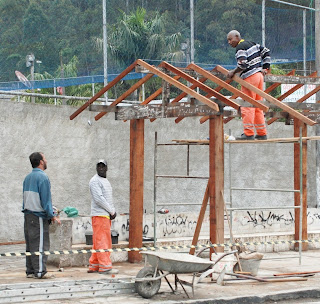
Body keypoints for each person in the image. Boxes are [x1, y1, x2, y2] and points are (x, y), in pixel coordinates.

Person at [227, 30, 271, 140]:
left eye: (230, 39)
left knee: (247, 105)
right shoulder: (252, 44)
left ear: (237, 37)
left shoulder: (240, 47)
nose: (229, 42)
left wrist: (233, 72)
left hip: (250, 77)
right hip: (259, 76)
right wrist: (265, 68)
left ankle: (248, 133)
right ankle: (262, 133)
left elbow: (243, 64)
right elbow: (266, 52)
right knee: (257, 105)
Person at [22, 152, 60, 279]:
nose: (46, 160)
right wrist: (52, 215)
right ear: (41, 162)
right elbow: (45, 200)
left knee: (30, 244)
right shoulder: (43, 177)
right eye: (45, 158)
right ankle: (40, 272)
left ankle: (31, 271)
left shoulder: (27, 178)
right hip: (38, 217)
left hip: (28, 215)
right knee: (40, 245)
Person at [88, 159, 118, 274]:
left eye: (103, 166)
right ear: (96, 168)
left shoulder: (104, 181)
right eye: (99, 166)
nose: (101, 168)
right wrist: (111, 211)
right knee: (103, 242)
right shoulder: (95, 181)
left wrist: (111, 211)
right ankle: (105, 266)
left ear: (106, 168)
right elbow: (99, 199)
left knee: (98, 241)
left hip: (104, 215)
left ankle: (94, 264)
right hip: (100, 215)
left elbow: (108, 198)